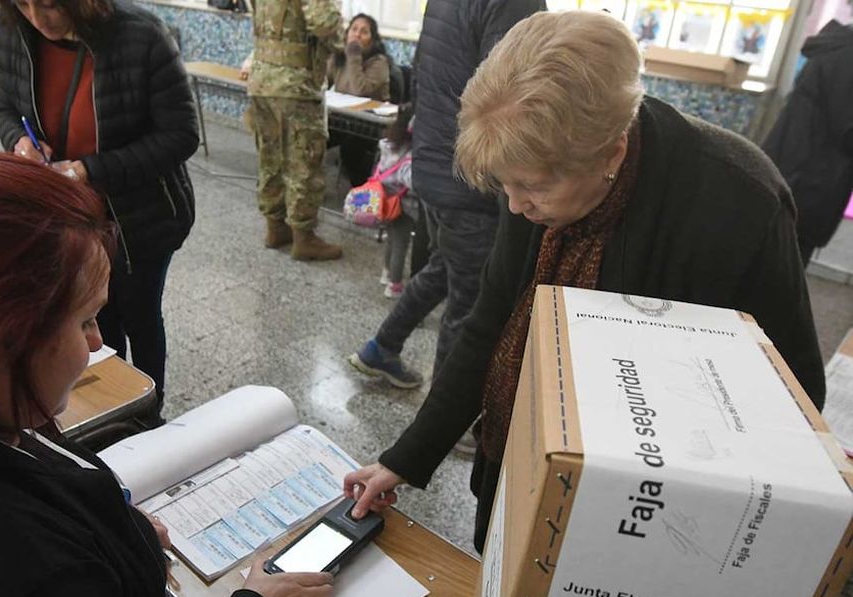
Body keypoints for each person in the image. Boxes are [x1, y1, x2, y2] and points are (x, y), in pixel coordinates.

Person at [344, 11, 825, 554]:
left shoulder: (738, 202)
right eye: (504, 186)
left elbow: (792, 392)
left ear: (611, 154)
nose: (516, 206)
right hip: (519, 455)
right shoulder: (536, 169)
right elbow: (492, 321)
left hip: (648, 510)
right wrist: (403, 459)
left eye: (531, 188)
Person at [0, 153, 334, 597]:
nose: (98, 343)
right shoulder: (30, 585)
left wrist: (113, 530)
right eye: (84, 320)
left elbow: (38, 477)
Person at [348, 0, 543, 442]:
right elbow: (511, 93)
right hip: (472, 177)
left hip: (436, 163)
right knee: (470, 301)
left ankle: (381, 348)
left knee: (443, 270)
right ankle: (447, 425)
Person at [0, 0, 200, 416]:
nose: (37, 17)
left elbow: (181, 136)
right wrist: (19, 141)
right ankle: (110, 410)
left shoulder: (141, 34)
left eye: (49, 4)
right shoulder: (14, 30)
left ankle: (146, 411)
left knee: (140, 314)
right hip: (70, 217)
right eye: (23, 3)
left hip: (142, 216)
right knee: (92, 319)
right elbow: (6, 108)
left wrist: (88, 170)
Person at [247, 0, 345, 261]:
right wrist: (339, 39)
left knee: (270, 158)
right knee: (304, 160)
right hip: (295, 84)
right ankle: (304, 239)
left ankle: (275, 228)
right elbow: (324, 23)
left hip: (262, 78)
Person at [763, 19, 853, 267]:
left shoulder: (835, 47)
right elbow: (847, 130)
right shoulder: (847, 59)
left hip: (793, 174)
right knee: (781, 273)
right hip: (809, 182)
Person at [327, 13, 390, 186]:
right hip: (342, 119)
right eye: (354, 29)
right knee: (313, 134)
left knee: (351, 149)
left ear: (372, 39)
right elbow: (322, 82)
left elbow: (360, 92)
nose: (357, 35)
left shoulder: (379, 62)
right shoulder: (339, 57)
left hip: (369, 125)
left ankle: (361, 194)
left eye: (364, 32)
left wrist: (354, 57)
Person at [372, 104, 414, 300]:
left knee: (391, 238)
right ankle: (394, 284)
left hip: (384, 197)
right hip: (401, 203)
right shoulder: (409, 152)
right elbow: (409, 179)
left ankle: (386, 272)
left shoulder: (388, 144)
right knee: (401, 243)